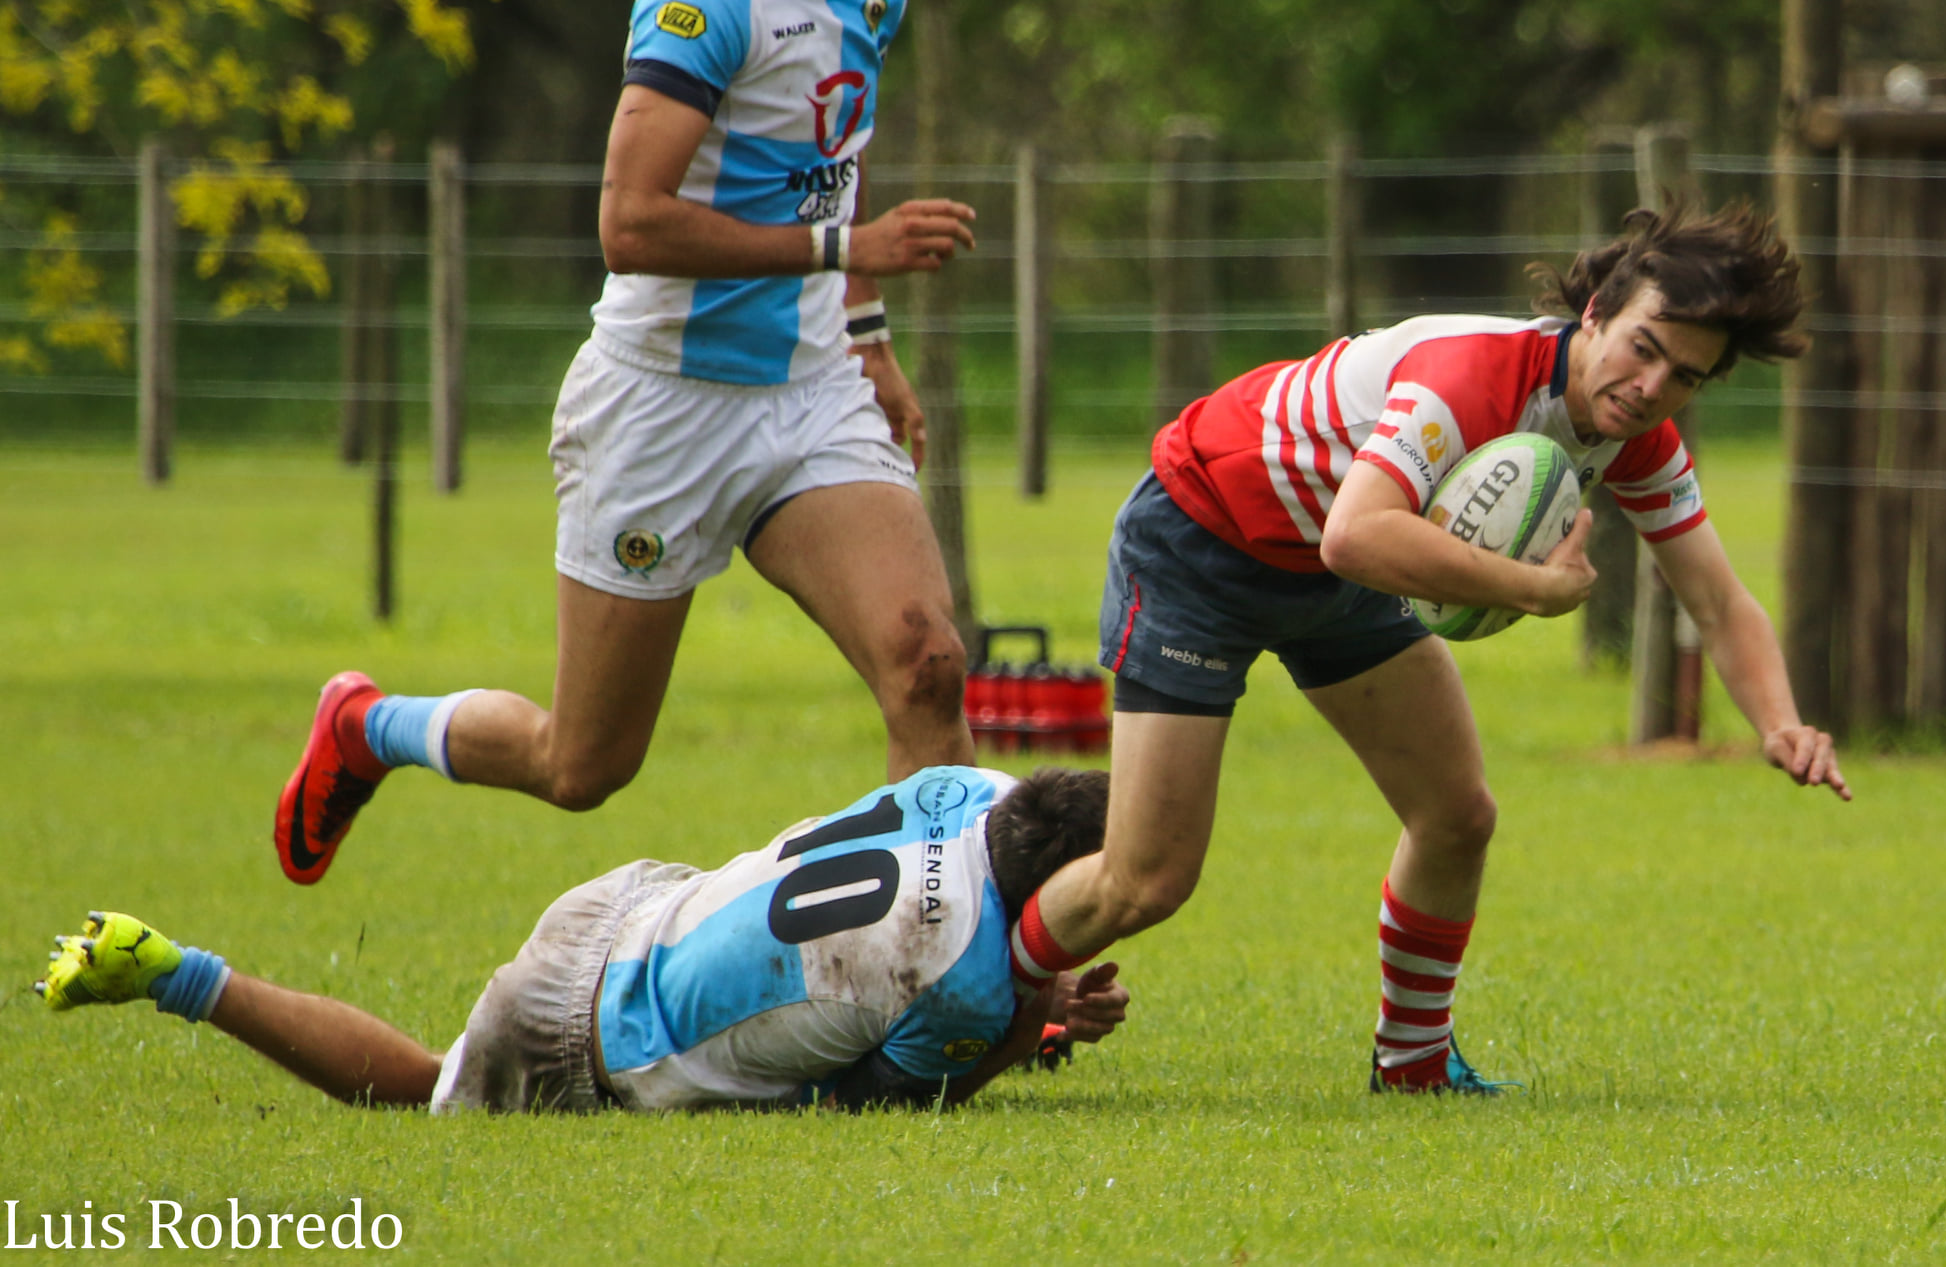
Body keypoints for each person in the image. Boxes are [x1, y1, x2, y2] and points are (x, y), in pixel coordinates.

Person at [1001, 202, 1852, 1095]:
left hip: (1339, 573)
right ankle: (978, 992)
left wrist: (1781, 724)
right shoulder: (1476, 374)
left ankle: (1413, 1064)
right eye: (1644, 348)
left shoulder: (1636, 437)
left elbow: (1717, 599)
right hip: (1202, 536)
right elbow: (1355, 533)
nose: (1651, 386)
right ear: (1597, 310)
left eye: (1684, 377)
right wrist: (1531, 588)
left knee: (1457, 815)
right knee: (1147, 880)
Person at [274, 0, 981, 884]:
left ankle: (951, 956)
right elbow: (631, 224)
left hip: (811, 390)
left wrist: (867, 329)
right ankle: (367, 727)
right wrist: (844, 247)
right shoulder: (709, 10)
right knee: (582, 765)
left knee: (927, 664)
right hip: (659, 407)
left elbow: (833, 148)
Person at [44, 767, 1129, 1112]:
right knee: (419, 1092)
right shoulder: (965, 980)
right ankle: (178, 973)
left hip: (632, 903)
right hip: (596, 1027)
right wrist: (1021, 1021)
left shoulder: (972, 784)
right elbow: (875, 1102)